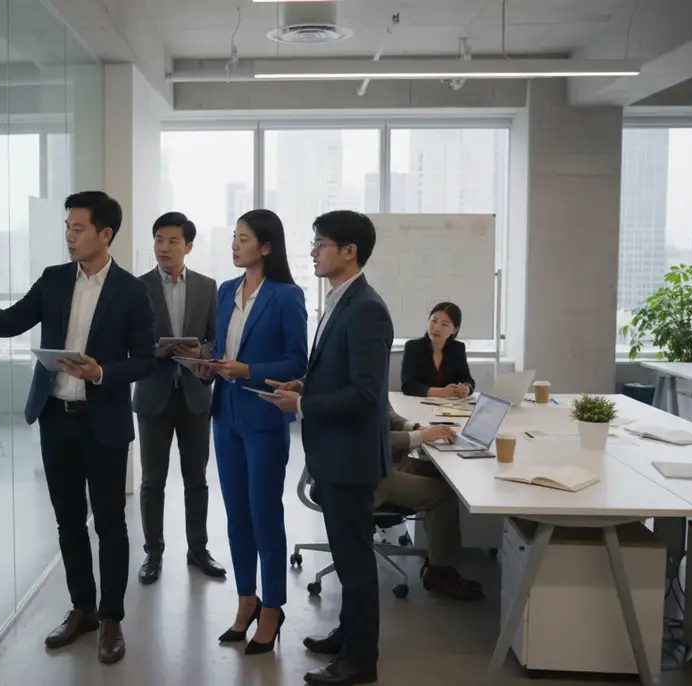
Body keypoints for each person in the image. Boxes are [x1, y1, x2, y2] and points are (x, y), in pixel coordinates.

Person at [0, 191, 154, 665]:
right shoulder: (54, 279)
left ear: (105, 234)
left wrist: (101, 372)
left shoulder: (131, 291)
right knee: (68, 522)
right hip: (55, 418)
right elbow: (10, 323)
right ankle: (83, 609)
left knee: (110, 523)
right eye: (67, 226)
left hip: (103, 424)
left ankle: (111, 617)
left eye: (78, 228)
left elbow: (146, 360)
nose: (69, 235)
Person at [263, 209, 392, 685]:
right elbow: (339, 374)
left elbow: (365, 394)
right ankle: (347, 636)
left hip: (350, 459)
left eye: (320, 244)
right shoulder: (341, 299)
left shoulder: (367, 308)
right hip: (334, 454)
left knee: (355, 563)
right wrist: (304, 385)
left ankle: (360, 661)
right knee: (347, 555)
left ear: (349, 251)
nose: (313, 251)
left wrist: (302, 404)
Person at [196, 209, 307, 655]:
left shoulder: (286, 295)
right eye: (234, 237)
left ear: (266, 246)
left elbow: (297, 362)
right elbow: (222, 347)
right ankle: (247, 601)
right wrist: (208, 365)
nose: (234, 245)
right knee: (236, 516)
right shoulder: (227, 290)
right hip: (225, 416)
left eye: (243, 239)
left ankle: (273, 607)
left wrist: (247, 370)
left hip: (264, 417)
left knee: (265, 516)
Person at [132, 212, 225, 585]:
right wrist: (151, 350)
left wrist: (200, 351)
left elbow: (216, 338)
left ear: (188, 246)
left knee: (196, 479)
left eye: (172, 241)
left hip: (194, 396)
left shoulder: (207, 286)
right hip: (153, 394)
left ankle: (198, 549)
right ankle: (153, 553)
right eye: (158, 240)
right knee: (152, 481)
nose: (164, 247)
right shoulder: (138, 287)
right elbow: (128, 341)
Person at [380, 410, 484, 601]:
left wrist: (415, 428)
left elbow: (385, 412)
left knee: (445, 474)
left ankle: (438, 556)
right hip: (368, 476)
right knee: (443, 495)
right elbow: (367, 439)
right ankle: (440, 572)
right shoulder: (354, 393)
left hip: (381, 461)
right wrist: (420, 437)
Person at [401, 302, 476, 398]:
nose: (436, 328)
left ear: (455, 330)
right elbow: (408, 386)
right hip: (419, 403)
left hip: (449, 405)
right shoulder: (413, 347)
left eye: (444, 324)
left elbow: (467, 379)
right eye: (434, 321)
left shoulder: (457, 348)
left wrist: (466, 388)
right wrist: (442, 392)